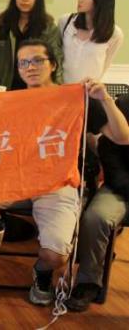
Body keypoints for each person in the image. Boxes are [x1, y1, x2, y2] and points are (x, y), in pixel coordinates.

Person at [0, 39, 129, 306]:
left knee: (55, 256)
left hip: (58, 183)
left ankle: (42, 274)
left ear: (52, 64)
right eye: (23, 63)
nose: (30, 67)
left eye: (37, 61)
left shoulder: (76, 99)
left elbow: (123, 137)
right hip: (15, 180)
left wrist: (105, 99)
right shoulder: (12, 103)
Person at [67, 96, 129, 311]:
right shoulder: (123, 105)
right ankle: (88, 282)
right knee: (95, 218)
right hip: (120, 187)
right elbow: (108, 152)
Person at [0, 0, 62, 90]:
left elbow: (56, 59)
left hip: (36, 86)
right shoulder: (2, 22)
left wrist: (57, 88)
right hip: (4, 85)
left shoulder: (48, 27)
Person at [59, 0, 124, 83]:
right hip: (62, 87)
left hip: (89, 89)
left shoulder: (115, 33)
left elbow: (105, 65)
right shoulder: (65, 21)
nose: (80, 0)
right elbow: (57, 54)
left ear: (99, 1)